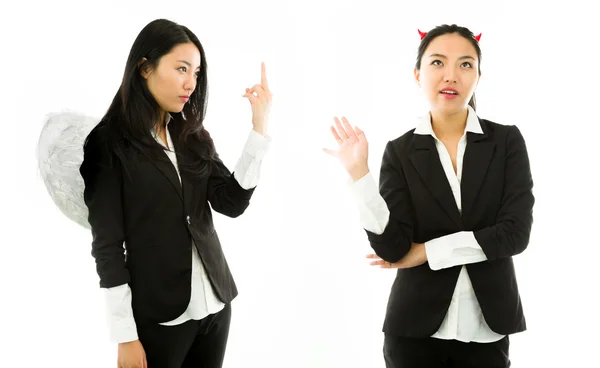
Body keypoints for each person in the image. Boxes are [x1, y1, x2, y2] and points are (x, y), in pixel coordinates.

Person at [324, 24, 534, 367]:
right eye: (438, 62)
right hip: (413, 336)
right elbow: (392, 248)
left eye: (465, 64)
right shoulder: (400, 151)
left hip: (487, 331)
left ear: (478, 77)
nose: (451, 75)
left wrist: (427, 252)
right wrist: (360, 175)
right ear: (417, 74)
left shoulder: (507, 142)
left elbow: (515, 234)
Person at [79, 18, 272, 368]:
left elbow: (231, 202)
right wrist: (125, 335)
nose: (191, 83)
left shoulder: (191, 135)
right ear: (144, 68)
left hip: (215, 306)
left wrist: (259, 127)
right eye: (182, 69)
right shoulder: (107, 144)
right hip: (160, 317)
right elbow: (107, 246)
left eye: (196, 73)